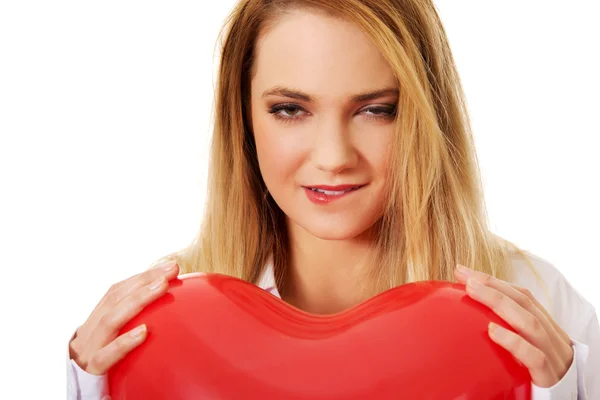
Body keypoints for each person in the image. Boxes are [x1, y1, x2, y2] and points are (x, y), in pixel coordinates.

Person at [66, 0, 599, 398]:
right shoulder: (160, 317)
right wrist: (88, 388)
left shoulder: (532, 307)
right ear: (244, 119)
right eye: (290, 110)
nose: (333, 156)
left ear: (422, 114)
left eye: (376, 110)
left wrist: (565, 390)